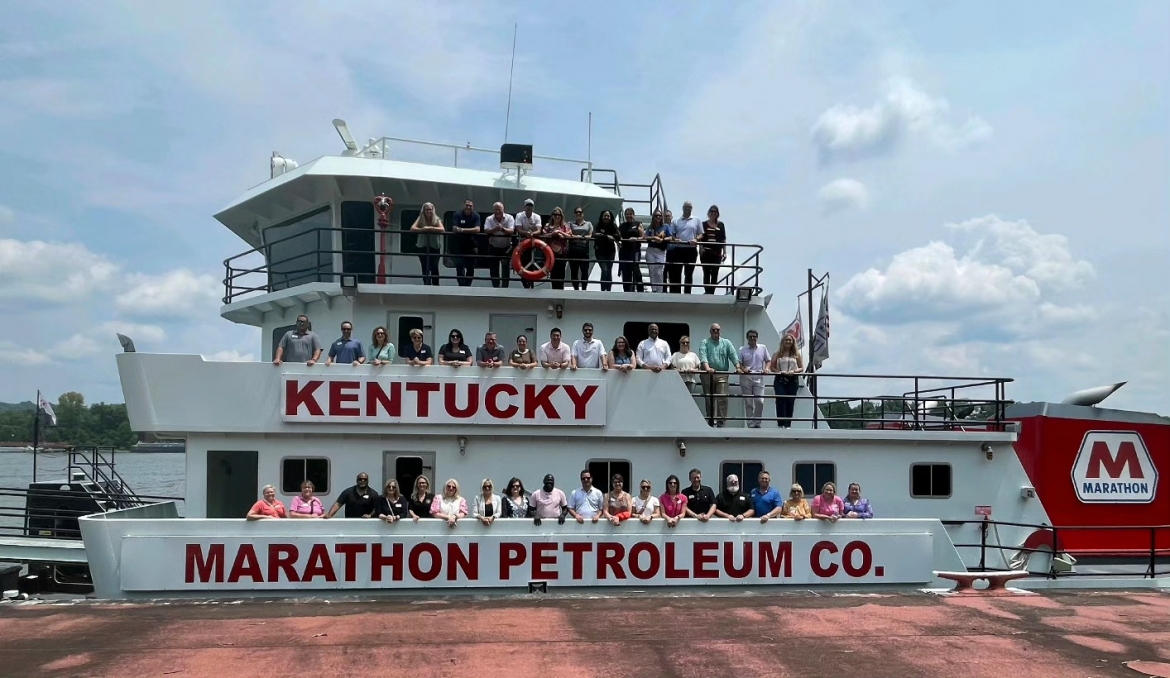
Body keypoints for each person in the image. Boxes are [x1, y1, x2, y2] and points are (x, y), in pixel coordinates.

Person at [699, 323, 739, 427]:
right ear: (710, 332)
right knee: (709, 399)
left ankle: (721, 422)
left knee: (722, 397)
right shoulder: (705, 342)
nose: (716, 332)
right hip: (708, 375)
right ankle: (711, 422)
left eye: (717, 330)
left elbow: (733, 356)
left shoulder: (726, 343)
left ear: (720, 331)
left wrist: (737, 367)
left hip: (722, 374)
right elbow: (703, 356)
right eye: (713, 330)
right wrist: (708, 369)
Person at [769, 334, 804, 428]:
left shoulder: (797, 355)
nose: (788, 342)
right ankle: (781, 424)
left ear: (793, 342)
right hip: (780, 379)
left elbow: (801, 368)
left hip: (793, 380)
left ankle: (788, 424)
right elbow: (772, 367)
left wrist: (793, 371)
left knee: (790, 401)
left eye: (790, 340)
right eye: (786, 340)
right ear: (783, 342)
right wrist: (780, 372)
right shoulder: (777, 354)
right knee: (780, 399)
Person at [737, 329, 770, 428]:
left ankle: (757, 422)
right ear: (747, 338)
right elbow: (739, 363)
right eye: (750, 336)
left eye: (754, 336)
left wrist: (767, 369)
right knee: (748, 402)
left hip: (758, 377)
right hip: (746, 377)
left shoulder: (763, 348)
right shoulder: (742, 349)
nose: (752, 338)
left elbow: (768, 360)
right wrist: (743, 369)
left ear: (757, 337)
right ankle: (751, 424)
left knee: (760, 401)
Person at [666, 201, 701, 294]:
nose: (687, 209)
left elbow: (701, 234)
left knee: (689, 273)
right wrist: (675, 239)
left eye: (689, 207)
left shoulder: (696, 220)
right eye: (686, 207)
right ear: (682, 208)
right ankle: (676, 293)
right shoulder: (676, 221)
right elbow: (671, 233)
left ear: (691, 209)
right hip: (679, 249)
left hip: (691, 250)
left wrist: (696, 239)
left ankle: (687, 293)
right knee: (677, 272)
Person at [409, 202, 445, 286]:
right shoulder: (420, 218)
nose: (429, 211)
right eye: (427, 209)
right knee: (425, 267)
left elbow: (442, 229)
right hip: (422, 246)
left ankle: (436, 286)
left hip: (434, 247)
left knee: (434, 267)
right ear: (424, 210)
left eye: (430, 209)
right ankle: (426, 284)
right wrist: (422, 230)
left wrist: (430, 228)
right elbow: (412, 228)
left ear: (433, 210)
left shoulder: (436, 219)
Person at [696, 205, 727, 294]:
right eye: (711, 212)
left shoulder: (721, 225)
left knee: (715, 272)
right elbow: (700, 237)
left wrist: (724, 252)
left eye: (715, 212)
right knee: (706, 272)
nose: (713, 213)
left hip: (717, 253)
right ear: (709, 213)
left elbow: (723, 239)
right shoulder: (704, 224)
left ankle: (711, 291)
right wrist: (701, 248)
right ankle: (707, 291)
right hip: (706, 252)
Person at [484, 202, 515, 288]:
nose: (497, 211)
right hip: (493, 246)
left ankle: (505, 288)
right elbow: (486, 230)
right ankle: (495, 287)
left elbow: (511, 231)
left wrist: (502, 229)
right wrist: (495, 229)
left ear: (503, 210)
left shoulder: (509, 218)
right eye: (496, 210)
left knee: (505, 267)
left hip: (506, 247)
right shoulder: (489, 219)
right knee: (493, 268)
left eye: (499, 209)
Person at [453, 199, 481, 286]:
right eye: (467, 205)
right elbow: (454, 228)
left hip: (472, 246)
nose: (468, 207)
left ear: (473, 207)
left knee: (470, 268)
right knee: (459, 266)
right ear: (463, 206)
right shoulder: (457, 214)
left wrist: (462, 229)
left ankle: (468, 285)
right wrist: (470, 230)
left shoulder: (476, 216)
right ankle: (461, 285)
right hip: (459, 246)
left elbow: (477, 229)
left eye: (470, 206)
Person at [515, 198, 543, 289]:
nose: (529, 207)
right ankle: (525, 283)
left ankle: (531, 284)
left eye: (531, 206)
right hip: (522, 243)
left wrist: (532, 234)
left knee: (531, 264)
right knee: (522, 263)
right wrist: (526, 233)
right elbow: (518, 229)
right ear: (524, 207)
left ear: (533, 207)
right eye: (527, 205)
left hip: (533, 243)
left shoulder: (537, 217)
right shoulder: (519, 215)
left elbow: (538, 230)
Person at [542, 207, 572, 290]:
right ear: (552, 216)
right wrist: (552, 234)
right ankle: (554, 290)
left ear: (561, 216)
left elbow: (570, 235)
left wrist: (560, 232)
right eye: (555, 215)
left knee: (561, 273)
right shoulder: (548, 226)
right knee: (553, 273)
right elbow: (543, 235)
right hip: (551, 253)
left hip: (562, 253)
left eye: (559, 215)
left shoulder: (565, 226)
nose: (557, 216)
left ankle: (560, 290)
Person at [643, 210, 671, 292]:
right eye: (656, 215)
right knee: (652, 270)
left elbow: (670, 237)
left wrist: (662, 239)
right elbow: (645, 237)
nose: (658, 217)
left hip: (660, 251)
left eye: (659, 215)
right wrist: (654, 238)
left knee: (658, 271)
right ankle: (654, 289)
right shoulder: (650, 227)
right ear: (653, 217)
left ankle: (660, 290)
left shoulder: (666, 226)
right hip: (651, 250)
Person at [617, 208, 644, 292]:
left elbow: (642, 237)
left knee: (635, 269)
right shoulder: (622, 226)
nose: (629, 216)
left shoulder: (638, 224)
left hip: (635, 250)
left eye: (630, 214)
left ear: (634, 215)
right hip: (624, 251)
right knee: (626, 271)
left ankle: (640, 290)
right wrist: (619, 243)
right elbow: (617, 236)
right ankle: (627, 291)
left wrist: (636, 238)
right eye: (627, 214)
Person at [567, 207, 593, 290]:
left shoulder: (588, 224)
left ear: (583, 213)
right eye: (576, 212)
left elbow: (590, 235)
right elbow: (568, 234)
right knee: (574, 272)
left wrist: (582, 237)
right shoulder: (570, 223)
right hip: (573, 250)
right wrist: (576, 236)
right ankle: (576, 289)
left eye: (580, 212)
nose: (578, 213)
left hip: (584, 251)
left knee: (584, 271)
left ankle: (584, 289)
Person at [592, 209, 619, 291]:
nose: (606, 217)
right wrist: (607, 236)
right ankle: (603, 290)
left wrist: (610, 236)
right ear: (602, 217)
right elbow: (594, 234)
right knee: (604, 269)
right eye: (605, 216)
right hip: (600, 251)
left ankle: (609, 290)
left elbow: (618, 236)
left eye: (608, 216)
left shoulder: (613, 226)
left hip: (610, 251)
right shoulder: (598, 225)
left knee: (609, 270)